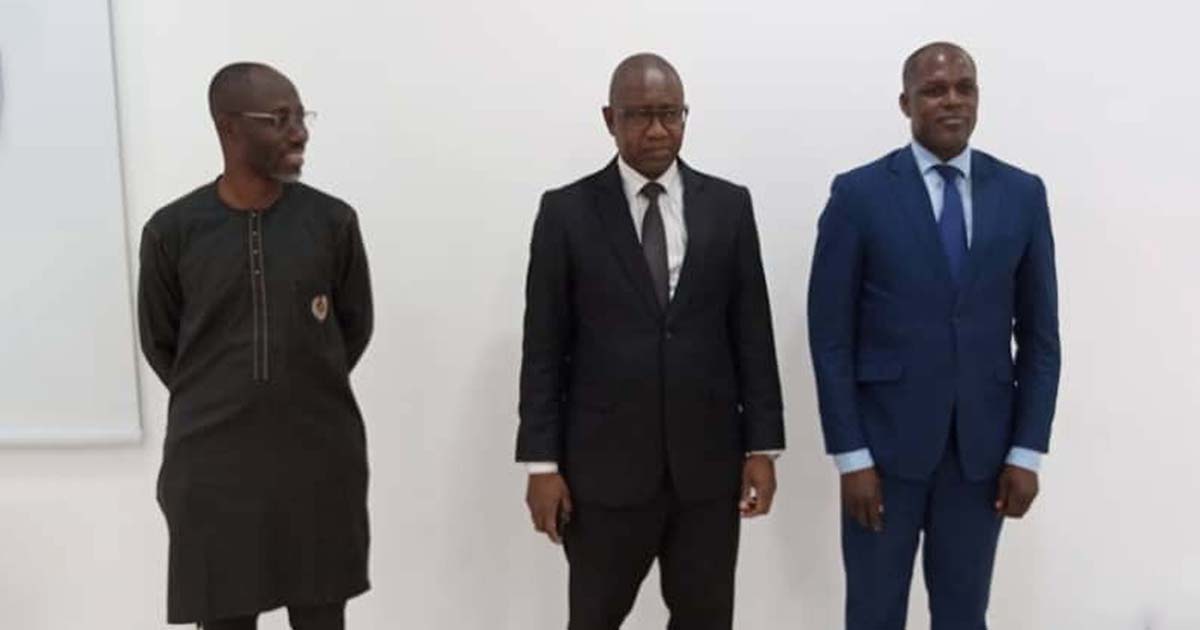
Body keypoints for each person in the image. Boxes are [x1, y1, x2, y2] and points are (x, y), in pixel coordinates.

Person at [516, 52, 785, 630]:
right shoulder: (566, 213)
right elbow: (543, 349)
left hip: (707, 471)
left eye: (670, 113)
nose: (658, 130)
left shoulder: (729, 207)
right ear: (609, 119)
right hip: (603, 473)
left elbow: (752, 334)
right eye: (639, 115)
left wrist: (762, 448)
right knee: (594, 618)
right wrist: (542, 464)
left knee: (706, 619)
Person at [807, 42, 1061, 629]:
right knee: (873, 615)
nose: (952, 100)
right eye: (934, 90)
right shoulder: (859, 195)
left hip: (982, 458)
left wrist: (1027, 450)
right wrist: (851, 458)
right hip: (883, 457)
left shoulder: (1022, 194)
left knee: (964, 616)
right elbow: (831, 338)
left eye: (964, 88)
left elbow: (1041, 339)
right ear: (906, 103)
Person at [138, 62, 373, 629]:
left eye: (302, 116)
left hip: (318, 463)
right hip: (213, 471)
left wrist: (295, 387)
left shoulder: (332, 222)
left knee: (322, 617)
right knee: (224, 618)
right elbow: (164, 344)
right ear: (229, 128)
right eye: (280, 119)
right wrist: (225, 392)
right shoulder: (173, 232)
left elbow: (352, 328)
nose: (300, 132)